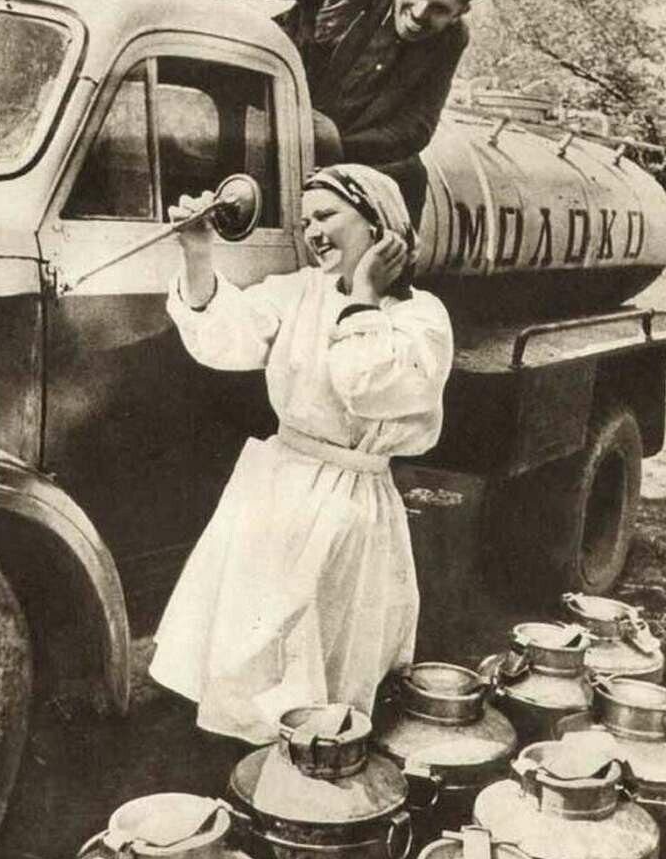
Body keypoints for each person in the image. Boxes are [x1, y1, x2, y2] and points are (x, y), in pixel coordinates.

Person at [149, 164, 453, 744]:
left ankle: (320, 771)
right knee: (255, 655)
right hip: (278, 491)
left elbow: (366, 385)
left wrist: (363, 298)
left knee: (330, 658)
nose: (313, 232)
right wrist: (197, 252)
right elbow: (226, 340)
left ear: (378, 224)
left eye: (327, 216)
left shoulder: (421, 317)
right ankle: (253, 771)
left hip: (350, 504)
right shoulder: (298, 292)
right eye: (306, 220)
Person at [169, 0, 492, 222]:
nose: (419, 13)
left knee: (410, 177)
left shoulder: (451, 41)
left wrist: (334, 146)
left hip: (338, 153)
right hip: (263, 108)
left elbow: (415, 127)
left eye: (439, 9)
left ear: (459, 13)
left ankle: (382, 268)